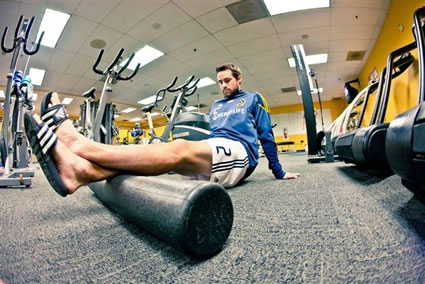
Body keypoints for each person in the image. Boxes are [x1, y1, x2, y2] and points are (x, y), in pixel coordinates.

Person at [24, 63, 300, 197]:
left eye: (228, 80)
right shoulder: (215, 106)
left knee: (178, 150)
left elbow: (266, 136)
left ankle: (81, 145)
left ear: (239, 79)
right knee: (157, 157)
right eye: (220, 81)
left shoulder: (253, 99)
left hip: (241, 154)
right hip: (217, 152)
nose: (223, 85)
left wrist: (278, 171)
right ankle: (80, 172)